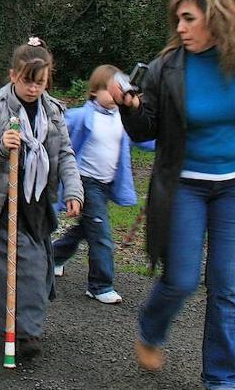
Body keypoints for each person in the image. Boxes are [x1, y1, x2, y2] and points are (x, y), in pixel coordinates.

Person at [109, 0, 235, 389]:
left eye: (189, 18)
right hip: (185, 186)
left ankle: (222, 379)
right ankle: (151, 328)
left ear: (216, 18)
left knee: (226, 288)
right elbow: (144, 130)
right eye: (178, 19)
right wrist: (132, 107)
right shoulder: (166, 67)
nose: (181, 27)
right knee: (182, 279)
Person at [0, 38, 82, 361]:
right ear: (13, 76)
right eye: (27, 81)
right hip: (0, 202)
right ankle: (11, 326)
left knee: (35, 266)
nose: (34, 88)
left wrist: (74, 190)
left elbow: (64, 154)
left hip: (34, 201)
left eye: (41, 81)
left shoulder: (53, 111)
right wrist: (0, 147)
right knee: (2, 271)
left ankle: (29, 330)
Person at [51, 64, 154, 304]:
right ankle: (99, 284)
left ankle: (54, 255)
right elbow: (55, 133)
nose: (114, 95)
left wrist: (169, 140)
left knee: (88, 227)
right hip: (86, 182)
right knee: (102, 234)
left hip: (108, 184)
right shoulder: (82, 116)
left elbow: (145, 138)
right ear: (95, 91)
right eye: (109, 90)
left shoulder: (123, 118)